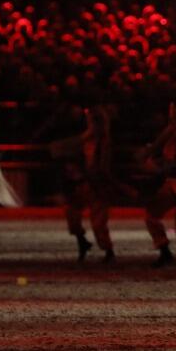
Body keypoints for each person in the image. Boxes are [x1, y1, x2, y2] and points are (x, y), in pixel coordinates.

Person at [143, 102, 176, 269]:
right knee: (151, 215)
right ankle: (164, 251)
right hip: (170, 183)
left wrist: (157, 167)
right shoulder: (172, 136)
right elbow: (163, 155)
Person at [64, 105, 121, 265]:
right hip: (85, 183)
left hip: (98, 185)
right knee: (71, 212)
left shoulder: (104, 143)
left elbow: (103, 167)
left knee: (98, 223)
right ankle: (82, 242)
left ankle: (109, 251)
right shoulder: (86, 140)